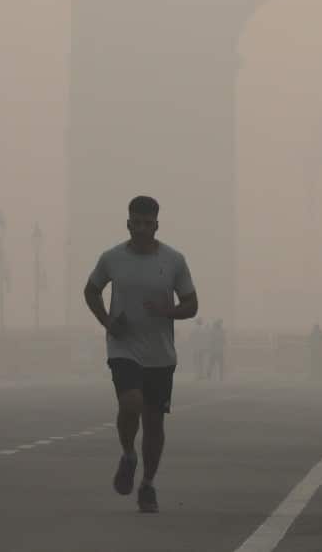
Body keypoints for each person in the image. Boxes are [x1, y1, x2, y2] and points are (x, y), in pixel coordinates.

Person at [84, 195, 198, 513]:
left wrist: (169, 310)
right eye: (137, 222)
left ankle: (147, 484)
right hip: (123, 346)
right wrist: (107, 321)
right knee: (130, 402)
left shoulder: (174, 261)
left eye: (148, 224)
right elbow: (91, 290)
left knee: (154, 423)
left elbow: (192, 304)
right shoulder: (112, 258)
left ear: (157, 225)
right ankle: (127, 454)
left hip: (160, 353)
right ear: (128, 223)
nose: (142, 229)